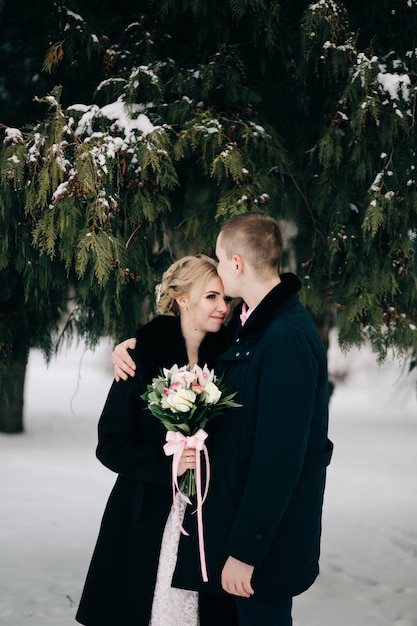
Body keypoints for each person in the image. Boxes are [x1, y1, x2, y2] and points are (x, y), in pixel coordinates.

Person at [112, 213, 333, 626]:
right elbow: (184, 336)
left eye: (218, 256)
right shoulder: (252, 329)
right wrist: (135, 346)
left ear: (236, 264)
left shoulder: (285, 338)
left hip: (259, 555)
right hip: (235, 540)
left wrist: (246, 551)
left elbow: (279, 459)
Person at [75, 254, 239, 626]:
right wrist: (169, 466)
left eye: (226, 298)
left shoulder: (232, 360)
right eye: (212, 296)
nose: (223, 307)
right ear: (182, 298)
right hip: (142, 516)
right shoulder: (139, 356)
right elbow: (110, 443)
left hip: (211, 517)